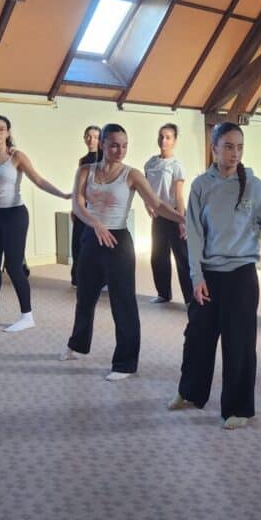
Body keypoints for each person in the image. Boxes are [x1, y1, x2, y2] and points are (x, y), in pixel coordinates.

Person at [169, 122, 261, 429]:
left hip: (242, 276)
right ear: (214, 148)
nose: (234, 153)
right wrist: (196, 277)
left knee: (239, 344)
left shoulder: (254, 186)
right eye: (228, 146)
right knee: (197, 339)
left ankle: (238, 408)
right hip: (209, 275)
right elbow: (193, 235)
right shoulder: (201, 185)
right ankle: (191, 392)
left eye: (239, 147)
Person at [59, 124, 187, 381]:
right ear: (103, 144)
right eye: (115, 144)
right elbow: (78, 203)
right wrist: (94, 224)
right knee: (85, 297)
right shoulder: (85, 170)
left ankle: (125, 363)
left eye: (125, 145)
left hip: (118, 241)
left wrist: (182, 219)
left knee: (123, 302)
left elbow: (157, 204)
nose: (120, 150)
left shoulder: (132, 174)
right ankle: (78, 343)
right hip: (92, 238)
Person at [0, 115, 71, 332]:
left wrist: (62, 195)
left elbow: (39, 180)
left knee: (14, 265)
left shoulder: (16, 157)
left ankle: (27, 316)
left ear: (8, 133)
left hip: (15, 215)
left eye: (1, 129)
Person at [144, 123, 193, 305]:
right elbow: (145, 188)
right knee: (158, 255)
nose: (163, 140)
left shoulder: (176, 165)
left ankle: (190, 297)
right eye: (161, 136)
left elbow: (179, 196)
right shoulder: (150, 163)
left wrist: (182, 220)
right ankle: (163, 293)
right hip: (158, 216)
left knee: (182, 257)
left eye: (168, 137)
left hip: (174, 213)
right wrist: (147, 205)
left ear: (174, 141)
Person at [71, 125, 102, 287]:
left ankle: (99, 279)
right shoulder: (83, 161)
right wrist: (75, 207)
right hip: (83, 207)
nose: (91, 140)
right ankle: (78, 278)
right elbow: (79, 187)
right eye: (88, 136)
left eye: (95, 136)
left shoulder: (104, 159)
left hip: (98, 209)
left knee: (96, 245)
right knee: (78, 242)